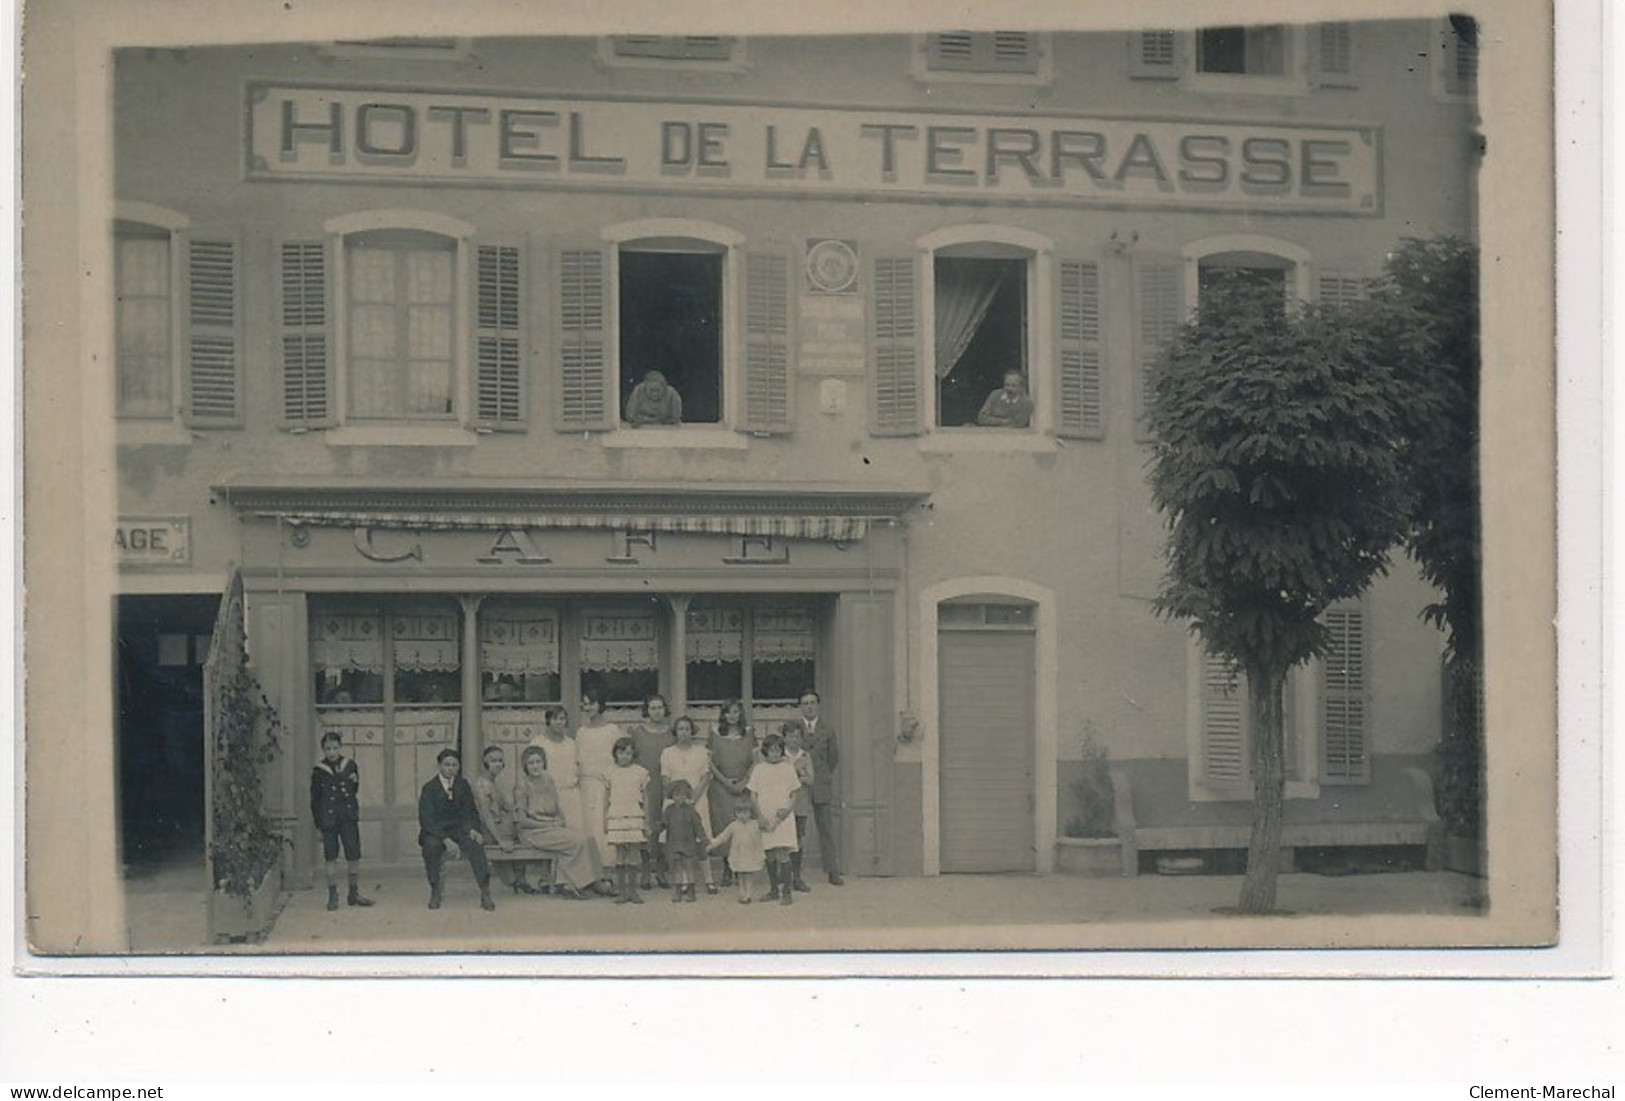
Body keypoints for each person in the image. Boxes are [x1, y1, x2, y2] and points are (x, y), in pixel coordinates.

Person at [513, 745, 605, 900]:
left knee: (588, 838)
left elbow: (556, 809)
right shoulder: (522, 785)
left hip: (551, 828)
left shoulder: (548, 780)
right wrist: (548, 825)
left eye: (538, 762)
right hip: (533, 832)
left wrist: (560, 820)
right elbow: (522, 821)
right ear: (525, 766)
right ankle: (566, 884)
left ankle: (596, 880)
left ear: (544, 763)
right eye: (531, 763)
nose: (535, 766)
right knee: (575, 842)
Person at [416, 747, 495, 912]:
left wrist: (473, 829)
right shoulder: (429, 788)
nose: (450, 768)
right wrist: (445, 840)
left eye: (454, 765)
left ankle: (485, 891)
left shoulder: (462, 784)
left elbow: (470, 811)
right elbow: (427, 820)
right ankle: (435, 890)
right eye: (447, 765)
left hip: (459, 829)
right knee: (431, 847)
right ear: (439, 766)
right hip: (435, 831)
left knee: (475, 844)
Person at [309, 730, 374, 911]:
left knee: (353, 854)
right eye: (328, 748)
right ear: (322, 750)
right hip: (328, 820)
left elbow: (354, 790)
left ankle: (353, 893)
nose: (332, 752)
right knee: (330, 857)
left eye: (335, 748)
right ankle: (333, 895)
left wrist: (354, 783)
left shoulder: (350, 765)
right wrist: (318, 826)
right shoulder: (319, 771)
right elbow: (314, 800)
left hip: (348, 818)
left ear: (340, 748)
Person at [659, 715, 719, 894]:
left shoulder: (701, 751)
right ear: (675, 732)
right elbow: (665, 779)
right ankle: (684, 881)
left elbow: (705, 776)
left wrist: (692, 798)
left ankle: (709, 879)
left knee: (700, 840)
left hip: (696, 801)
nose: (683, 732)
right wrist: (678, 797)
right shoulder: (667, 752)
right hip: (675, 802)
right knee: (679, 841)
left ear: (691, 731)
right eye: (680, 729)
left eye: (687, 729)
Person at [575, 689, 623, 893]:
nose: (587, 708)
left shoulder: (612, 730)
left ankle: (605, 876)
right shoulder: (581, 732)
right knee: (587, 830)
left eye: (591, 703)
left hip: (604, 785)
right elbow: (578, 761)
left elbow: (618, 759)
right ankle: (589, 876)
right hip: (585, 787)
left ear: (600, 704)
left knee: (603, 829)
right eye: (584, 704)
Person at [793, 689, 844, 885]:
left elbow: (833, 758)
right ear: (801, 707)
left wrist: (821, 775)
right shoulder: (795, 728)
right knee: (797, 831)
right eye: (805, 703)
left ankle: (832, 871)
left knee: (826, 829)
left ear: (818, 705)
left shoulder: (827, 729)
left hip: (821, 785)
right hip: (800, 786)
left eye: (812, 702)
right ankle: (794, 874)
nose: (809, 706)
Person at [471, 744, 535, 895]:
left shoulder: (499, 782)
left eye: (500, 761)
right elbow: (486, 816)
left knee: (523, 830)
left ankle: (520, 879)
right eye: (493, 761)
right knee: (518, 834)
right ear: (485, 763)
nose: (498, 764)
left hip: (505, 827)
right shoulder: (482, 785)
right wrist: (500, 840)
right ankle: (515, 880)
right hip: (489, 831)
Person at [629, 694, 677, 890]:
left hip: (665, 784)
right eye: (652, 708)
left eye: (660, 707)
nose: (657, 711)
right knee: (646, 827)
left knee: (663, 827)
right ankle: (646, 871)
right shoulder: (638, 733)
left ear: (665, 709)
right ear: (646, 710)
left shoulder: (671, 733)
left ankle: (661, 870)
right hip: (645, 784)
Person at [747, 733, 801, 905]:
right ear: (765, 751)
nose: (775, 754)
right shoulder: (759, 769)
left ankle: (787, 891)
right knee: (769, 854)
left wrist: (786, 811)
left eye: (778, 750)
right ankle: (773, 890)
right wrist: (759, 816)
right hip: (766, 817)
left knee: (783, 853)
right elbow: (753, 795)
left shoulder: (788, 768)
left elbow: (793, 794)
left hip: (783, 818)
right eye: (771, 750)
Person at [707, 698, 755, 886]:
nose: (732, 716)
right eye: (728, 712)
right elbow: (709, 762)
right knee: (724, 826)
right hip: (721, 787)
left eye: (736, 712)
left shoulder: (749, 733)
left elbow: (755, 760)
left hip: (743, 787)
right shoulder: (715, 733)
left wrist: (744, 781)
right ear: (723, 715)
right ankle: (727, 867)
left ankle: (741, 868)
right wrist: (725, 781)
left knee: (743, 827)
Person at [604, 737, 650, 905]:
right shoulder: (610, 772)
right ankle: (621, 891)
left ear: (633, 754)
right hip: (616, 816)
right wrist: (605, 820)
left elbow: (646, 799)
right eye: (621, 752)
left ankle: (633, 891)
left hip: (634, 816)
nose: (624, 756)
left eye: (628, 753)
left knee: (633, 854)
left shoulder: (640, 772)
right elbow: (606, 798)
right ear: (615, 754)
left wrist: (646, 820)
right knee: (620, 855)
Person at [530, 706, 583, 830]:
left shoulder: (571, 743)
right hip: (548, 794)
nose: (559, 722)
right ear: (548, 721)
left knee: (575, 831)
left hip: (571, 795)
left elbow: (577, 768)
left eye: (562, 718)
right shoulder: (538, 742)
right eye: (555, 719)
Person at [708, 797, 768, 904]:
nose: (742, 815)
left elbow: (767, 829)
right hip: (739, 854)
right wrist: (712, 844)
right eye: (739, 812)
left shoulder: (755, 824)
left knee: (749, 874)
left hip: (750, 853)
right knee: (741, 874)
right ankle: (742, 892)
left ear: (750, 812)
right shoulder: (733, 825)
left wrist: (772, 822)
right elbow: (723, 836)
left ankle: (748, 894)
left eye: (745, 812)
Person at [780, 721, 816, 893]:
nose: (794, 739)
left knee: (798, 840)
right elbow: (779, 780)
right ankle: (783, 876)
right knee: (782, 840)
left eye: (797, 736)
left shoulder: (805, 756)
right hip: (782, 803)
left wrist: (800, 776)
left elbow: (810, 780)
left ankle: (797, 876)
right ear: (784, 738)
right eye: (790, 736)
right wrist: (797, 773)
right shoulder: (780, 756)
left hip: (800, 803)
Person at [660, 779, 707, 903]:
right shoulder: (668, 810)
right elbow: (663, 824)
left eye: (682, 795)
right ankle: (677, 890)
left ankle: (691, 890)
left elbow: (698, 826)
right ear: (671, 795)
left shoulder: (691, 810)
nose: (679, 798)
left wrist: (703, 838)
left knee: (689, 868)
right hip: (673, 843)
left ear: (687, 796)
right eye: (676, 795)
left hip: (688, 844)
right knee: (677, 869)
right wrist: (656, 828)